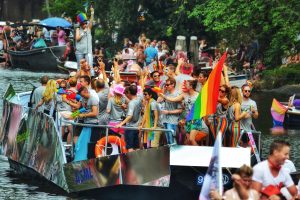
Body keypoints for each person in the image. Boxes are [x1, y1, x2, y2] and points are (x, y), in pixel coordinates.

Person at [116, 85, 142, 151]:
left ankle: (131, 161)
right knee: (137, 147)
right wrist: (125, 109)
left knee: (130, 148)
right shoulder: (139, 99)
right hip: (136, 127)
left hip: (130, 128)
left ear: (129, 92)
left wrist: (121, 124)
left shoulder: (131, 103)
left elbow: (130, 116)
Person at [158, 78, 182, 144]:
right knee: (168, 141)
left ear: (173, 85)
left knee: (172, 141)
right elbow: (158, 100)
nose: (166, 86)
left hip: (173, 120)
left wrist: (169, 112)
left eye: (167, 85)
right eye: (165, 85)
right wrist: (164, 92)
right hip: (165, 119)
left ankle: (175, 153)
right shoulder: (166, 93)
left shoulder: (177, 95)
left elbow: (180, 110)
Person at [75, 7, 94, 75]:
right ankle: (78, 82)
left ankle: (92, 81)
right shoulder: (78, 29)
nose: (85, 25)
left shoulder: (88, 28)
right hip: (79, 51)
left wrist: (92, 12)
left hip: (88, 51)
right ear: (80, 23)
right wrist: (83, 33)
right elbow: (77, 38)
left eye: (86, 23)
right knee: (79, 67)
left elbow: (91, 21)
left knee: (90, 67)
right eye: (83, 23)